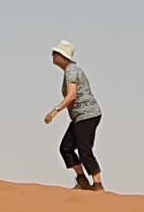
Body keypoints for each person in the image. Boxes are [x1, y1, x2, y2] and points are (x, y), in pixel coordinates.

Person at [44, 40, 102, 190]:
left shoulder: (72, 71)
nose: (53, 55)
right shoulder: (69, 71)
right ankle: (82, 179)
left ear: (63, 56)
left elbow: (71, 96)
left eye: (55, 53)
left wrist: (54, 111)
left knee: (84, 149)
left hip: (88, 115)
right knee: (66, 147)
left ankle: (98, 183)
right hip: (79, 117)